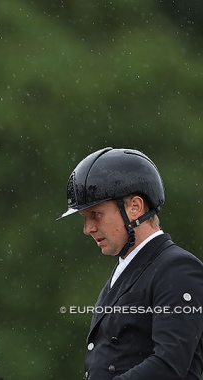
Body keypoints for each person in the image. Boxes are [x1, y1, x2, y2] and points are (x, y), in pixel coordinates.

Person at [58, 147, 203, 379]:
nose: (87, 229)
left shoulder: (178, 269)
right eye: (84, 219)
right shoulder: (123, 271)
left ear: (135, 207)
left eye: (95, 215)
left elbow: (169, 365)